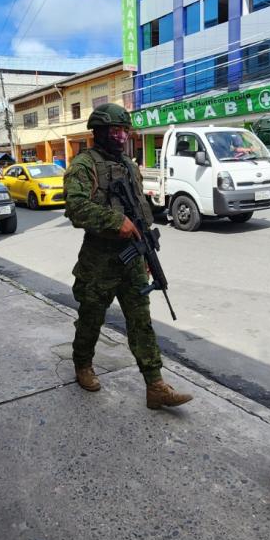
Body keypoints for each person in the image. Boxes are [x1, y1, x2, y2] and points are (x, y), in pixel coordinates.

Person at [62, 103, 193, 410]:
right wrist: (113, 221)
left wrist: (147, 252)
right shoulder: (84, 166)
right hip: (99, 260)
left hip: (133, 258)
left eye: (125, 131)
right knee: (91, 317)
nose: (122, 137)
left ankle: (155, 384)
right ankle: (83, 364)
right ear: (100, 133)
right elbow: (75, 208)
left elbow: (138, 212)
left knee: (141, 321)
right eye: (115, 131)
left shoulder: (131, 166)